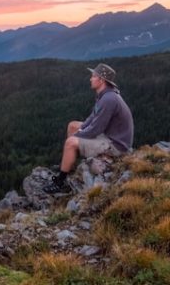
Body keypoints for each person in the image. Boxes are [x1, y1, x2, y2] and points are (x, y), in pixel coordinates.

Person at [43, 63, 134, 194]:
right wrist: (80, 130)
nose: (90, 79)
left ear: (101, 80)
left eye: (93, 76)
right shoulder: (104, 95)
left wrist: (78, 136)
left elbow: (95, 129)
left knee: (70, 142)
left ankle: (60, 182)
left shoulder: (109, 99)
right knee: (73, 125)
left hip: (116, 145)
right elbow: (92, 118)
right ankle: (69, 166)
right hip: (110, 136)